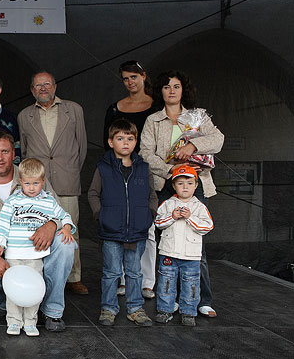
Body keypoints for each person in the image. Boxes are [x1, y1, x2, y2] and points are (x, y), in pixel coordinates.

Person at [0, 131, 76, 332]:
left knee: (66, 245)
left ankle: (50, 310)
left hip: (35, 244)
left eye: (5, 151)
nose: (0, 157)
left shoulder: (32, 176)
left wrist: (51, 225)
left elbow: (57, 209)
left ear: (13, 153)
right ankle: (7, 303)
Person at [140, 70, 224, 318]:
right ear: (160, 92)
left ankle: (202, 300)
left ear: (183, 90)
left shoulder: (196, 117)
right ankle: (172, 298)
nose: (172, 91)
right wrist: (170, 170)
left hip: (195, 185)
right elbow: (145, 153)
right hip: (166, 183)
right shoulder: (153, 121)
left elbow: (218, 139)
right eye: (166, 87)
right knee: (168, 244)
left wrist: (193, 145)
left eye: (176, 86)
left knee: (197, 244)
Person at [17, 71, 88, 295]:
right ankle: (42, 275)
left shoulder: (74, 110)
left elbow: (82, 147)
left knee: (69, 229)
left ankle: (74, 278)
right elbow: (25, 151)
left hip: (67, 178)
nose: (43, 88)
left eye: (47, 84)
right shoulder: (24, 115)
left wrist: (71, 170)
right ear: (32, 90)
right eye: (38, 85)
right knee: (36, 228)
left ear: (55, 86)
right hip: (37, 184)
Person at [0, 158, 75, 337]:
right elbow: (3, 224)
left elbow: (64, 215)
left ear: (43, 182)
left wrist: (67, 227)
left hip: (36, 254)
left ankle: (30, 321)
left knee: (34, 287)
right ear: (20, 181)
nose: (31, 188)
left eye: (36, 183)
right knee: (14, 286)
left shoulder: (49, 202)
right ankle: (13, 321)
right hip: (14, 253)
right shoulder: (13, 202)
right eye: (27, 183)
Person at [88, 119, 157, 327]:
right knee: (111, 272)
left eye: (130, 138)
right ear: (110, 142)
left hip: (137, 231)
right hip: (111, 232)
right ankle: (108, 308)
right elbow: (92, 193)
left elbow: (152, 195)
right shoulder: (103, 168)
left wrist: (149, 215)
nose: (125, 143)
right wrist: (101, 215)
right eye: (119, 138)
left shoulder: (144, 168)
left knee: (135, 272)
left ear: (135, 142)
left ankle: (135, 309)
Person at [103, 61, 158, 299]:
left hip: (146, 168)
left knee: (147, 229)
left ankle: (146, 281)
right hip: (120, 170)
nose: (130, 82)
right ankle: (125, 279)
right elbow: (106, 139)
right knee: (121, 228)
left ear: (144, 76)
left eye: (134, 76)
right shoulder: (115, 108)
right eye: (125, 78)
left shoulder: (157, 107)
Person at [154, 165, 214, 327]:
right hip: (169, 253)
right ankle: (165, 310)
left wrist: (190, 218)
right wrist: (172, 217)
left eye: (189, 183)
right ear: (174, 186)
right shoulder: (167, 204)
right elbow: (158, 223)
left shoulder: (199, 206)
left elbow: (207, 227)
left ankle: (189, 312)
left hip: (191, 255)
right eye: (180, 183)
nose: (185, 187)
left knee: (191, 284)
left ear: (196, 185)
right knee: (166, 283)